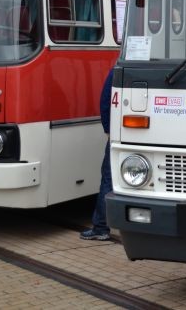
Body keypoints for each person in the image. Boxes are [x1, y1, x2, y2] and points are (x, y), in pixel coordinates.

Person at [80, 67, 114, 241]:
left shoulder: (119, 68)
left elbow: (105, 100)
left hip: (120, 135)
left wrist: (108, 128)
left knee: (108, 179)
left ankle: (101, 227)